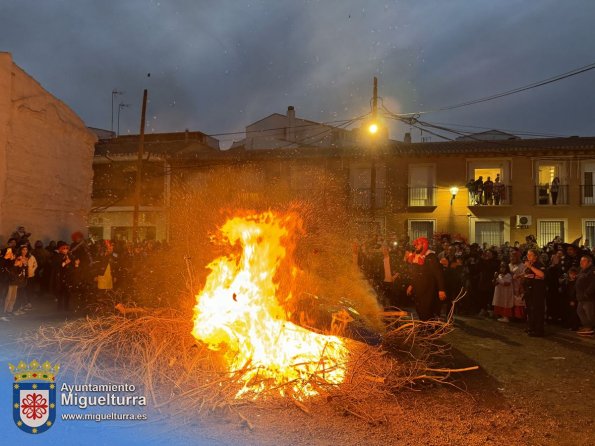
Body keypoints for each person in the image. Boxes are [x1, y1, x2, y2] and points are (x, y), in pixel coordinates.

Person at [405, 237, 447, 321]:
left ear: (423, 245)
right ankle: (425, 328)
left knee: (427, 311)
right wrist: (411, 285)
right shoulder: (416, 257)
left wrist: (441, 289)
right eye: (415, 244)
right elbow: (415, 274)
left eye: (418, 244)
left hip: (428, 289)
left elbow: (438, 274)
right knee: (420, 310)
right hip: (418, 289)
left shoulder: (431, 256)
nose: (415, 246)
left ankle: (429, 330)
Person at [523, 249, 546, 337]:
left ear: (535, 256)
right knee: (530, 310)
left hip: (538, 292)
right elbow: (530, 275)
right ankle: (531, 327)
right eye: (527, 255)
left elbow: (542, 275)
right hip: (530, 291)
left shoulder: (539, 265)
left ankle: (539, 330)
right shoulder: (531, 265)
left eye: (530, 255)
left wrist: (530, 267)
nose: (528, 257)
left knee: (537, 311)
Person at [575, 255, 595, 336]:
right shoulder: (582, 270)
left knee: (590, 314)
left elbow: (593, 283)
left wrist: (587, 293)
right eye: (580, 261)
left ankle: (592, 327)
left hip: (588, 297)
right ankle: (588, 326)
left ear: (589, 262)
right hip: (581, 297)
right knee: (580, 311)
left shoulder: (592, 271)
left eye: (583, 261)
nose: (581, 263)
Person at [509, 249, 526, 319]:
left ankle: (519, 316)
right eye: (511, 256)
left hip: (518, 284)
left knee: (518, 300)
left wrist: (521, 286)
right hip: (511, 285)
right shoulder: (509, 265)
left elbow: (524, 275)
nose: (512, 258)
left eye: (514, 256)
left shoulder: (522, 265)